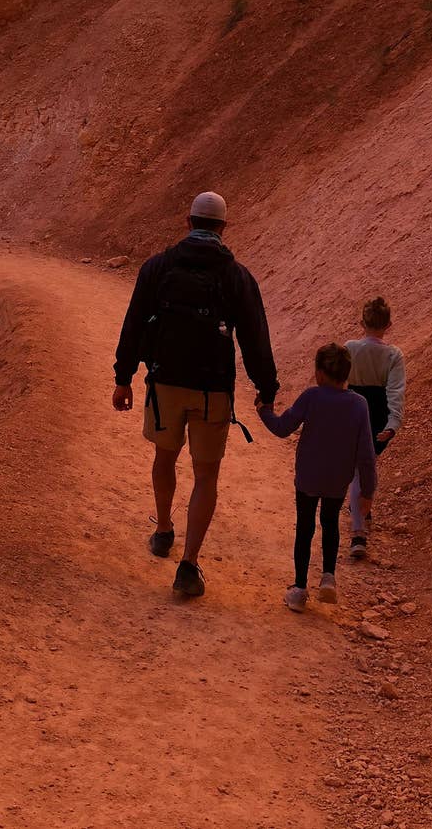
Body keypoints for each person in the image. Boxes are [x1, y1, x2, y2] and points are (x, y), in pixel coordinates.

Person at [113, 191, 279, 598]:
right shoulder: (237, 276)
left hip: (165, 382)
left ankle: (164, 528)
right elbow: (255, 338)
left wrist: (123, 376)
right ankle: (188, 565)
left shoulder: (157, 267)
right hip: (212, 392)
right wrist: (266, 389)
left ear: (187, 223)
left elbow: (133, 322)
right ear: (224, 228)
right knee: (206, 475)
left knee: (163, 457)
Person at [256, 342, 376, 609]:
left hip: (309, 476)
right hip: (337, 479)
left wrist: (264, 411)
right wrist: (367, 491)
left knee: (305, 527)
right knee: (330, 522)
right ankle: (328, 579)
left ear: (320, 373)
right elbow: (366, 455)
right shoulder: (359, 405)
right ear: (347, 374)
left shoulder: (311, 396)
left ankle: (299, 589)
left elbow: (283, 427)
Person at [345, 297, 406, 560]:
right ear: (389, 325)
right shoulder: (393, 355)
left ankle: (359, 524)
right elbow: (395, 392)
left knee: (357, 469)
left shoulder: (349, 348)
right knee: (365, 466)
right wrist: (393, 423)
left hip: (350, 410)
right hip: (378, 415)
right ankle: (359, 525)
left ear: (361, 322)